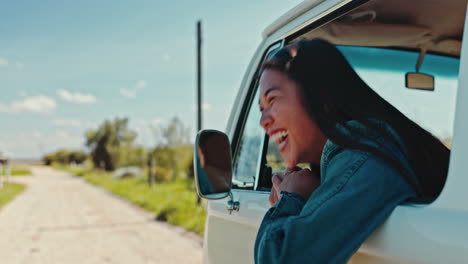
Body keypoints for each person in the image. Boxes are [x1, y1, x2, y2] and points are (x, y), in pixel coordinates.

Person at [255, 38, 450, 263]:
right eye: (261, 109)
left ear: (320, 96)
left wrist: (290, 200)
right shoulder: (356, 156)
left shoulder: (365, 157)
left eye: (273, 99)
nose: (263, 121)